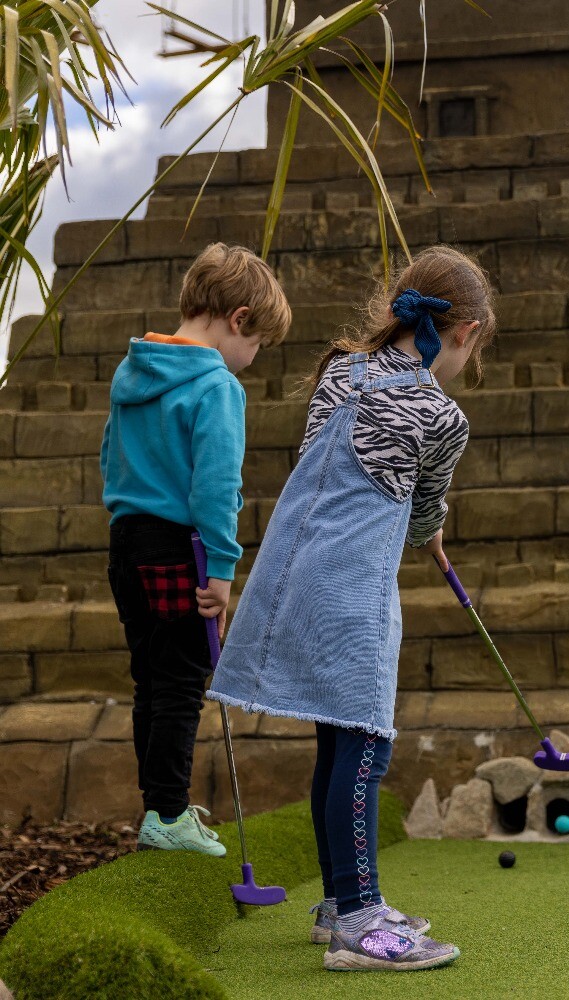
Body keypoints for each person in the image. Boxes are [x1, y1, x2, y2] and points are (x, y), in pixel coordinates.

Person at [207, 245, 496, 971]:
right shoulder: (442, 414)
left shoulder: (342, 368)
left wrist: (421, 519)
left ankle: (340, 901)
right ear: (467, 333)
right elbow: (426, 508)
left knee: (339, 740)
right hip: (352, 587)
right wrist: (433, 535)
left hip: (294, 572)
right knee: (366, 748)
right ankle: (362, 924)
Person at [101, 243, 291, 856]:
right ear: (238, 319)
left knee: (150, 680)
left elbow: (111, 457)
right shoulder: (217, 386)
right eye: (257, 344)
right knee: (183, 680)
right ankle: (169, 815)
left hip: (126, 541)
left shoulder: (131, 372)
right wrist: (225, 569)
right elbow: (217, 487)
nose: (251, 360)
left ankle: (162, 803)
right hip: (181, 548)